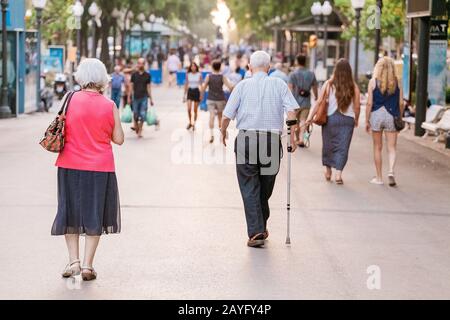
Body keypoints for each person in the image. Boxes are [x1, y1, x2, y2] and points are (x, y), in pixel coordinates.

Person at [51, 58, 124, 281]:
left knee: (69, 210)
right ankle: (87, 266)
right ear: (103, 78)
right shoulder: (109, 105)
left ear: (81, 76)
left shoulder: (69, 99)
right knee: (94, 215)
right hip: (100, 168)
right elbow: (119, 139)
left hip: (69, 164)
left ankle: (73, 261)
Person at [221, 51, 299, 248]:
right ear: (269, 67)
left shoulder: (242, 86)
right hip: (271, 140)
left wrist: (223, 131)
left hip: (246, 139)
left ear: (249, 67)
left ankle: (257, 230)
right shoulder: (279, 85)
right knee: (265, 187)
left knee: (250, 186)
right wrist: (292, 134)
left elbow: (227, 114)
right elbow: (291, 111)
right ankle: (259, 229)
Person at [306, 58, 361, 185]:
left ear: (336, 70)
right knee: (343, 147)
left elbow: (319, 102)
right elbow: (357, 106)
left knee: (328, 146)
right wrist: (356, 119)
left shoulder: (329, 84)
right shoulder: (354, 86)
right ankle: (338, 174)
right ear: (349, 71)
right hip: (348, 120)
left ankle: (328, 171)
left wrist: (310, 118)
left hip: (330, 119)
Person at [365, 56, 404, 187]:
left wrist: (366, 120)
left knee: (377, 147)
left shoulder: (373, 82)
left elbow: (369, 103)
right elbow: (401, 102)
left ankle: (379, 178)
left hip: (376, 115)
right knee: (392, 147)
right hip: (392, 115)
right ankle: (391, 171)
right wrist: (400, 116)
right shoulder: (397, 82)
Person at [289, 54, 318, 147]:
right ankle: (301, 139)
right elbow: (314, 87)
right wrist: (316, 97)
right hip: (306, 102)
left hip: (295, 101)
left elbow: (290, 88)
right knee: (303, 120)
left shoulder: (293, 74)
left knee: (296, 121)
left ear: (297, 61)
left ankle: (297, 139)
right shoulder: (311, 74)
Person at [202, 60, 234, 143]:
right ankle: (221, 134)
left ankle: (211, 134)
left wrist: (201, 96)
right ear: (220, 68)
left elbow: (203, 87)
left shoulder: (208, 76)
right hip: (220, 99)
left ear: (212, 67)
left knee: (211, 116)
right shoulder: (222, 77)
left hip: (210, 99)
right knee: (220, 117)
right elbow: (230, 87)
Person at [128, 58, 154, 138]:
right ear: (137, 64)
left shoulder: (147, 75)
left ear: (144, 64)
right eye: (139, 63)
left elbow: (149, 88)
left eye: (142, 63)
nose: (140, 65)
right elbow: (131, 86)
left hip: (144, 97)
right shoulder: (134, 75)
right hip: (135, 97)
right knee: (135, 114)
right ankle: (136, 126)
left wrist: (151, 99)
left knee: (143, 114)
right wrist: (129, 97)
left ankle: (140, 130)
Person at [183, 62, 203, 130]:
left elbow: (201, 85)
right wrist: (184, 95)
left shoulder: (199, 75)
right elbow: (186, 84)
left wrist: (201, 95)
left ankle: (194, 123)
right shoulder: (188, 74)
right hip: (190, 91)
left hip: (196, 91)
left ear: (196, 67)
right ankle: (190, 122)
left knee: (195, 110)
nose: (193, 68)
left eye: (194, 66)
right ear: (190, 68)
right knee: (188, 109)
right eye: (192, 66)